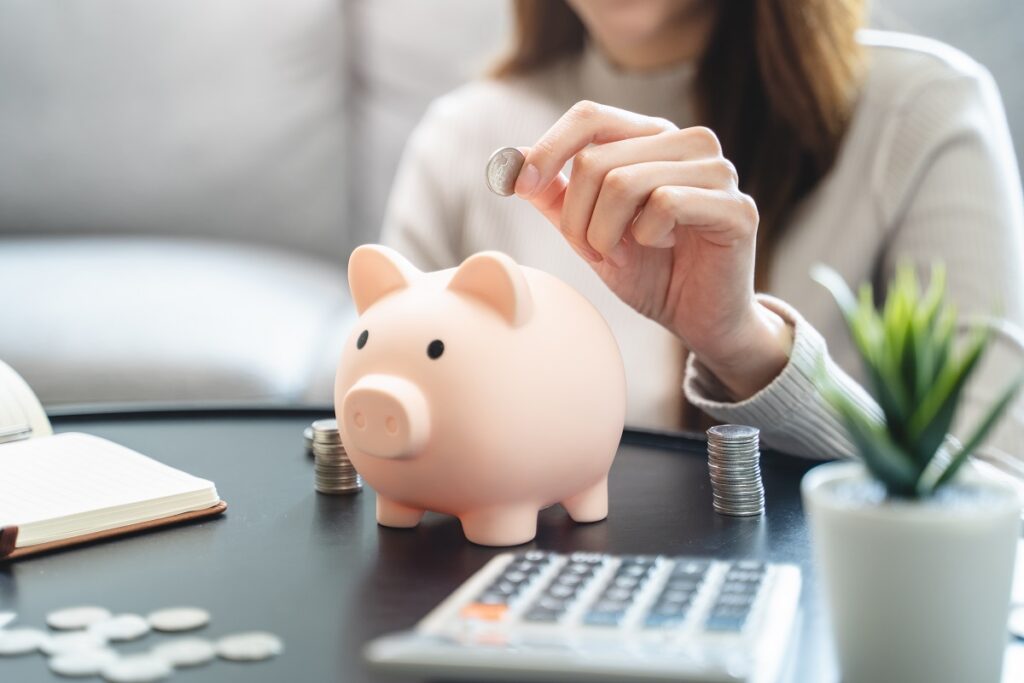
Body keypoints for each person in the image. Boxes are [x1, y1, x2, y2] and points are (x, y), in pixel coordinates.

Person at [382, 0, 1024, 479]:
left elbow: (998, 494)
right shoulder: (461, 136)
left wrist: (744, 345)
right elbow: (376, 443)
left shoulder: (925, 112)